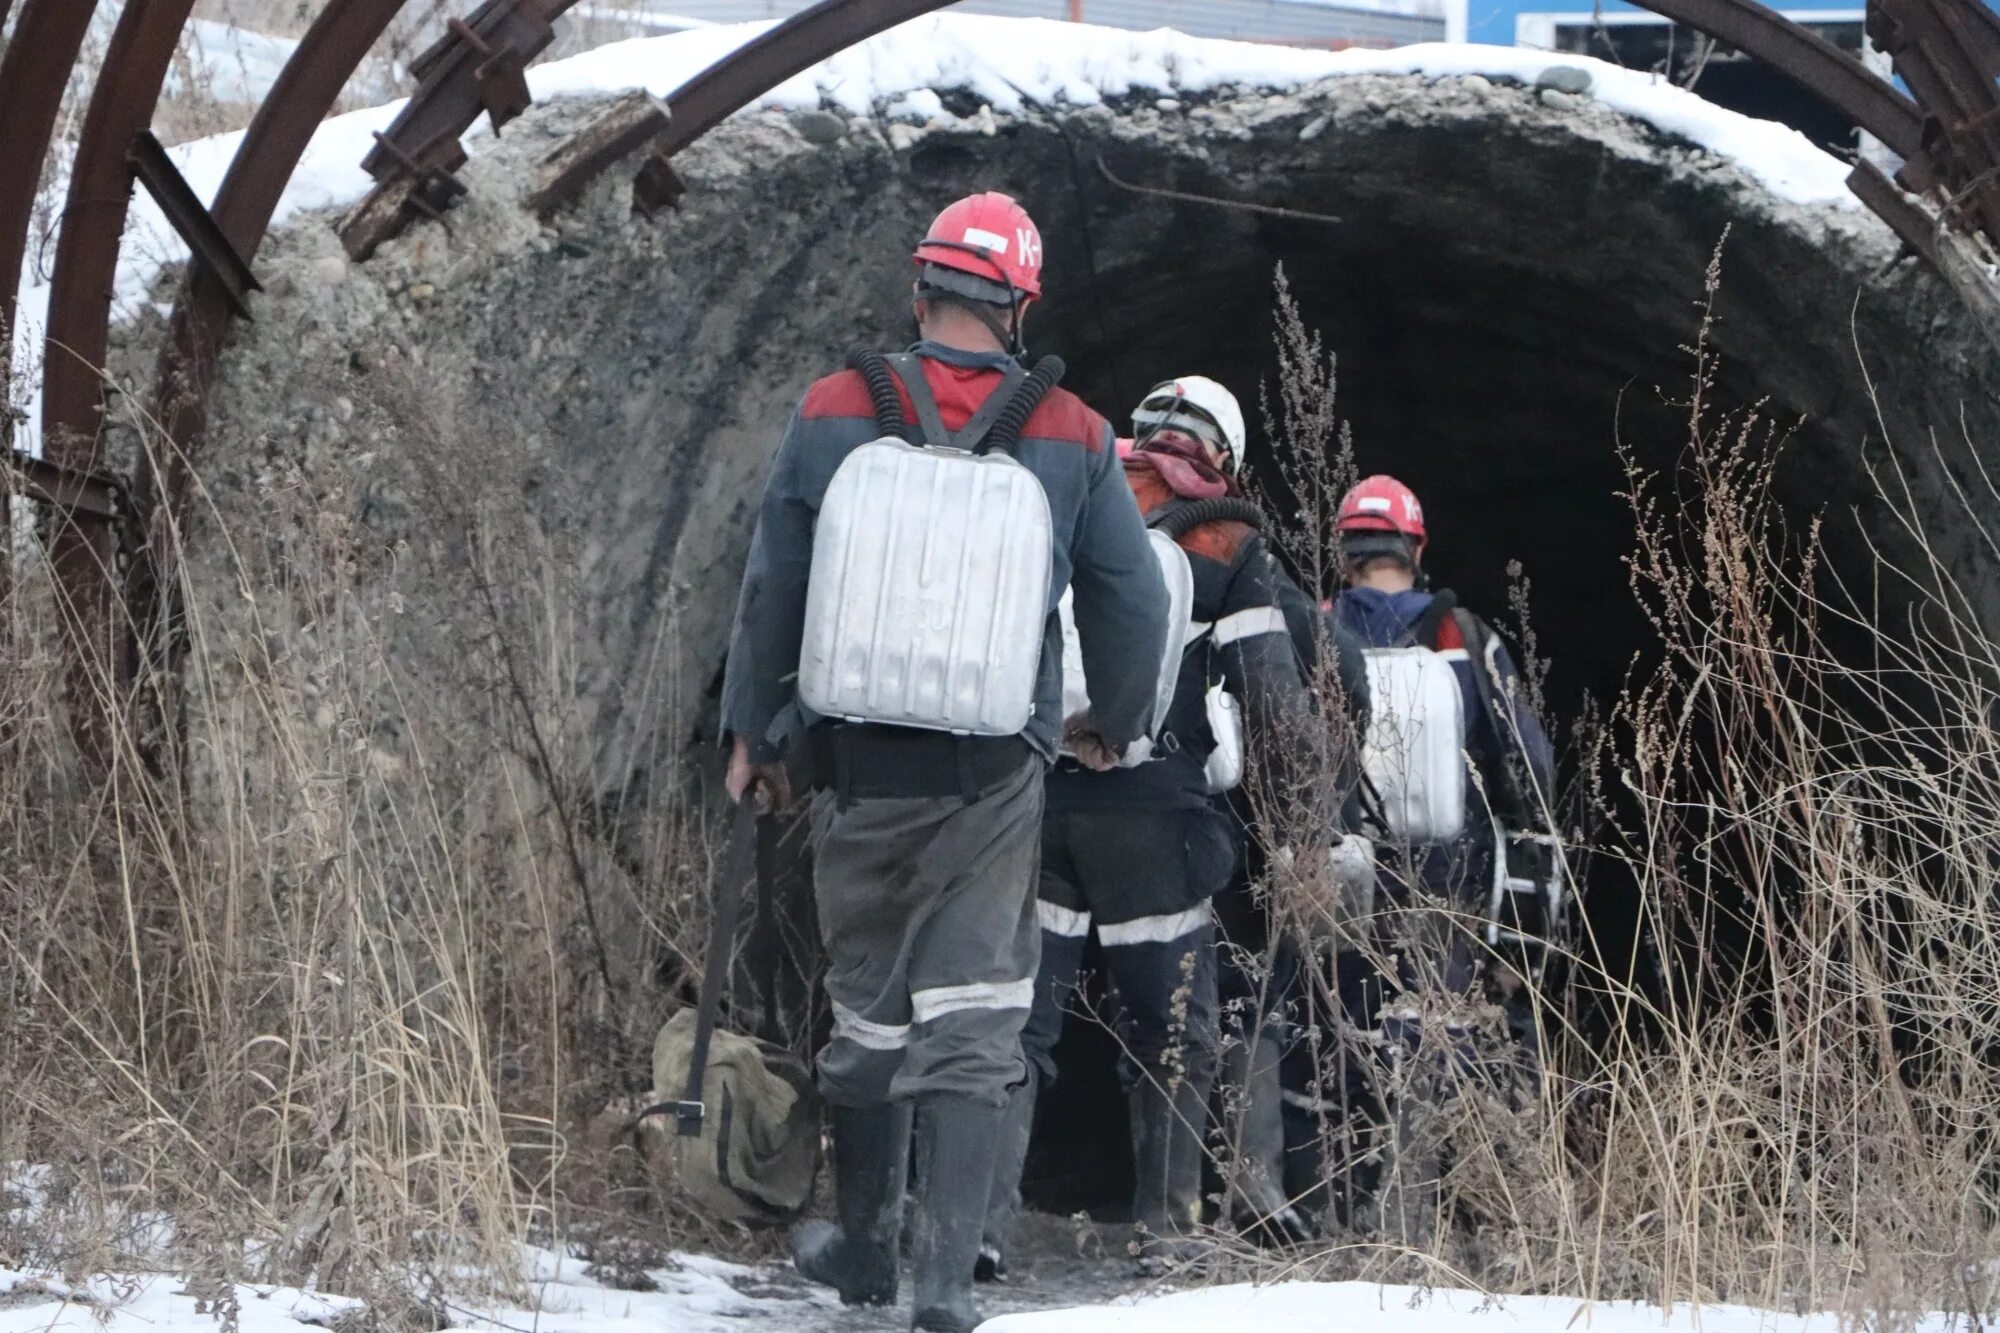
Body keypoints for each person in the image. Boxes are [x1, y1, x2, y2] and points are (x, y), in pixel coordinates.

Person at [720, 191, 1168, 1333]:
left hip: (855, 768)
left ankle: (865, 1249)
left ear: (919, 290)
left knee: (867, 1008)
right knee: (972, 1014)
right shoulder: (1070, 429)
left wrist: (753, 735)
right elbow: (1127, 596)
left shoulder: (832, 406)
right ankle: (937, 1285)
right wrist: (1111, 720)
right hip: (991, 779)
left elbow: (775, 580)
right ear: (1019, 306)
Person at [981, 375, 1323, 1276]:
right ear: (1224, 453)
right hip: (1155, 817)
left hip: (1040, 799)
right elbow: (1274, 702)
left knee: (1017, 1021)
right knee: (1174, 1031)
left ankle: (977, 1220)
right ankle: (1167, 1236)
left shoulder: (1070, 486)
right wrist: (1302, 825)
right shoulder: (1226, 536)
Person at [1323, 473, 1556, 1238]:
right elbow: (1528, 764)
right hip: (1449, 868)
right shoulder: (1465, 636)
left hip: (1344, 860)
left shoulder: (1316, 628)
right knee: (1443, 1025)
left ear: (1345, 550)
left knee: (1338, 1023)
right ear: (1414, 548)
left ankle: (1341, 1205)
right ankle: (1447, 1209)